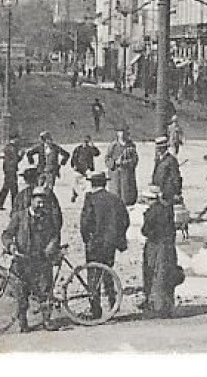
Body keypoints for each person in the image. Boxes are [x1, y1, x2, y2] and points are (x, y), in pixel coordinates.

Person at [3, 189, 63, 332]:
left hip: (41, 260)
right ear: (31, 201)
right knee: (21, 293)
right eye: (38, 201)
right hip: (22, 261)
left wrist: (51, 247)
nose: (41, 204)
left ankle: (47, 320)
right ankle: (23, 323)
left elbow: (55, 235)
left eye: (43, 202)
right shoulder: (19, 217)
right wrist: (10, 246)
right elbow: (7, 234)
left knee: (45, 291)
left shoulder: (47, 218)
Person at [79, 170, 129, 320]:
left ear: (91, 183)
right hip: (110, 245)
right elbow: (125, 221)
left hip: (94, 245)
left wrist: (86, 239)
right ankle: (113, 304)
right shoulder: (115, 199)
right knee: (108, 272)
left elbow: (85, 223)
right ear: (105, 183)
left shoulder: (90, 199)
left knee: (93, 277)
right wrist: (117, 238)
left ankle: (96, 310)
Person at [140, 185, 181, 318]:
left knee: (153, 273)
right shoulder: (166, 209)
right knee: (166, 274)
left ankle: (156, 306)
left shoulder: (151, 212)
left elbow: (146, 230)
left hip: (155, 246)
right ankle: (167, 306)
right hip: (168, 246)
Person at [106, 129, 139, 207]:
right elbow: (107, 159)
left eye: (123, 132)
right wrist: (114, 163)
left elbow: (135, 160)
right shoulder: (113, 146)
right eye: (120, 132)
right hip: (115, 177)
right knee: (115, 199)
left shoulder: (131, 146)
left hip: (127, 176)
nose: (122, 134)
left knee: (127, 199)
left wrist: (125, 163)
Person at [0, 132, 24, 211]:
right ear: (14, 139)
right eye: (18, 139)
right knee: (14, 189)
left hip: (7, 169)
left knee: (6, 187)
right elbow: (15, 160)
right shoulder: (13, 148)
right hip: (11, 170)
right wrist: (21, 155)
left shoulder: (8, 147)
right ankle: (15, 206)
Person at [150, 136, 183, 204]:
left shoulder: (171, 160)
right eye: (156, 148)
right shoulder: (158, 160)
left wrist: (177, 192)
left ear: (164, 148)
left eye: (159, 148)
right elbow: (155, 174)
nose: (157, 150)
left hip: (168, 193)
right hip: (158, 192)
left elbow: (176, 177)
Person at [69, 134, 100, 203]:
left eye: (87, 141)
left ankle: (88, 197)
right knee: (75, 182)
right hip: (79, 169)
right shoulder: (78, 149)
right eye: (84, 141)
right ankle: (74, 194)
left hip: (88, 169)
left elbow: (97, 153)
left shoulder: (90, 149)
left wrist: (93, 146)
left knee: (88, 184)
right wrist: (73, 165)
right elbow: (74, 158)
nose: (85, 143)